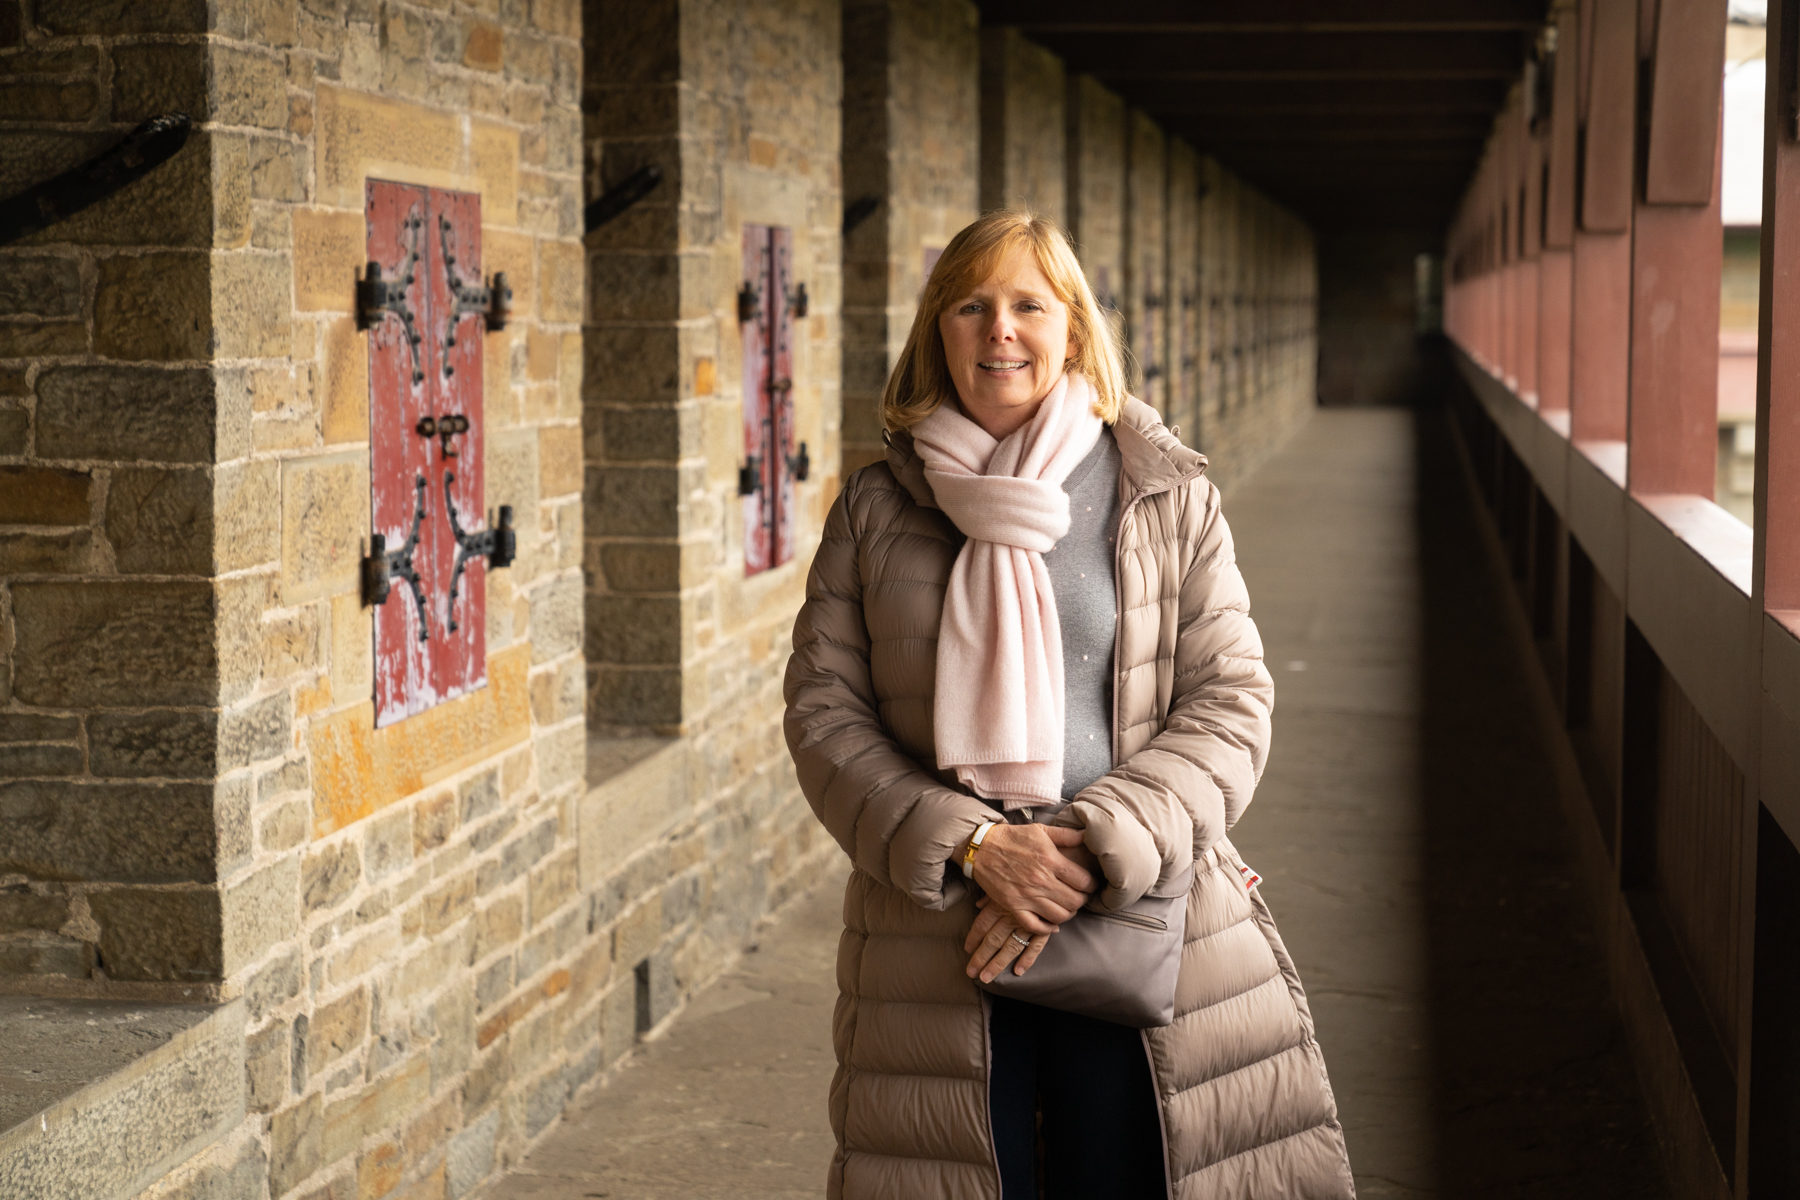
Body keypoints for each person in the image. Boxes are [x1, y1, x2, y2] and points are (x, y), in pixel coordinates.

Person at [784, 210, 1354, 1199]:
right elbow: (824, 716)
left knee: (1130, 1169)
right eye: (971, 306)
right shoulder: (878, 508)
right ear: (938, 333)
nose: (998, 329)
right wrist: (975, 846)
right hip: (940, 932)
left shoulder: (1160, 491)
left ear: (1074, 331)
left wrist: (1096, 847)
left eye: (1026, 305)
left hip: (1136, 906)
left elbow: (1230, 701)